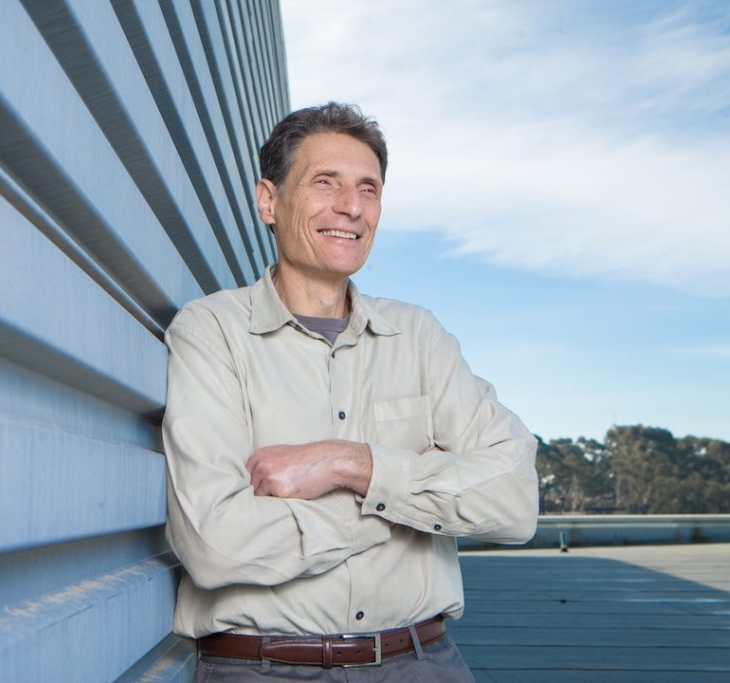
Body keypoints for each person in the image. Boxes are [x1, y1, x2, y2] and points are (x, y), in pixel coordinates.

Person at [162, 102, 538, 681]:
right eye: (325, 183)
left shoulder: (419, 336)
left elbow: (514, 502)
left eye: (369, 188)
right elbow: (217, 545)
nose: (352, 208)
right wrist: (405, 501)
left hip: (422, 662)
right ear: (269, 201)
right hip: (261, 669)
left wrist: (349, 464)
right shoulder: (212, 331)